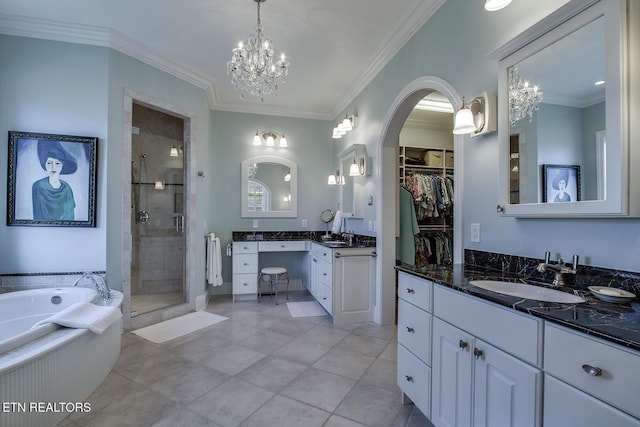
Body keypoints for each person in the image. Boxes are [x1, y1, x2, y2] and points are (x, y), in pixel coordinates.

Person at [32, 140, 77, 220]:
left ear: (62, 165)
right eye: (49, 163)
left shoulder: (66, 188)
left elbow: (71, 217)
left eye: (57, 163)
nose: (53, 167)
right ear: (44, 164)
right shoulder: (38, 186)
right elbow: (37, 216)